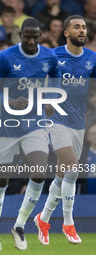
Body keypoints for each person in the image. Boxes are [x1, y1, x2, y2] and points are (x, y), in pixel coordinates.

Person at [0, 18, 61, 251]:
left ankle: (19, 225)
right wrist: (9, 101)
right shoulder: (5, 57)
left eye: (34, 37)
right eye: (26, 36)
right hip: (6, 125)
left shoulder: (49, 57)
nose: (30, 41)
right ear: (19, 35)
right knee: (2, 179)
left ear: (40, 36)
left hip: (34, 124)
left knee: (39, 172)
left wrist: (51, 98)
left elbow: (57, 78)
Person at [34, 15, 96, 245]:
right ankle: (68, 224)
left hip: (78, 122)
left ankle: (44, 217)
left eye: (84, 27)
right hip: (55, 120)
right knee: (72, 166)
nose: (82, 30)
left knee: (64, 174)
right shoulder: (53, 56)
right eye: (77, 27)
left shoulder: (92, 58)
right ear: (66, 33)